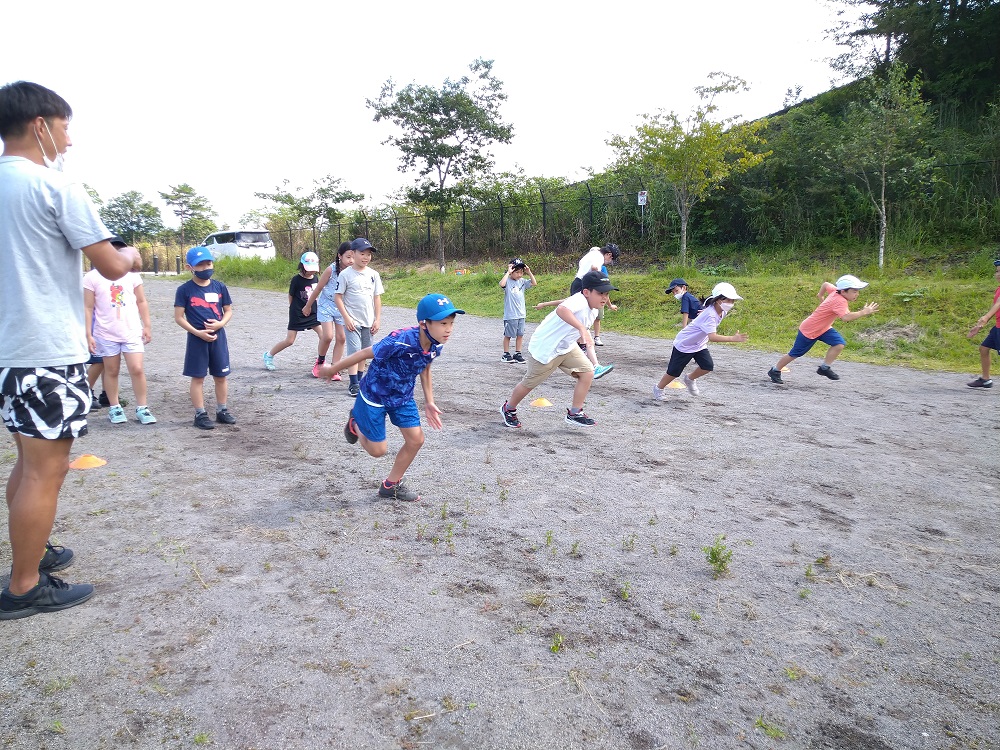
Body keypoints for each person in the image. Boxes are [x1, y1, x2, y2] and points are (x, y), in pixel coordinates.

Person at [0, 81, 142, 619]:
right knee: (46, 470)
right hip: (44, 346)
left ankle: (29, 554)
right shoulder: (55, 186)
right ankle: (23, 587)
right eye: (64, 127)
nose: (69, 140)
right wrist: (128, 254)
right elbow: (109, 265)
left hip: (9, 350)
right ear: (41, 125)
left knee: (28, 460)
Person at [322, 293, 464, 502]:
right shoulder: (400, 339)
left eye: (451, 323)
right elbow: (364, 354)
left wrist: (429, 401)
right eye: (443, 323)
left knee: (416, 440)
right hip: (374, 395)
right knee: (378, 451)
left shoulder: (437, 344)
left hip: (402, 397)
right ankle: (355, 423)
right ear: (424, 324)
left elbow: (425, 367)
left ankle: (390, 485)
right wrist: (332, 369)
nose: (449, 329)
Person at [501, 270, 617, 429]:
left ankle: (575, 413)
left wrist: (595, 363)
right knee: (529, 383)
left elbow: (588, 341)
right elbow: (562, 310)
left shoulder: (594, 309)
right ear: (586, 292)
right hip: (546, 348)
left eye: (607, 293)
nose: (605, 297)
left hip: (566, 347)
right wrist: (581, 328)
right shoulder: (579, 300)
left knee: (587, 372)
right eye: (601, 293)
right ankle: (508, 409)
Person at [83, 235, 156, 424]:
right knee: (111, 370)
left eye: (120, 250)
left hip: (131, 330)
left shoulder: (132, 275)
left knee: (137, 368)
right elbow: (88, 307)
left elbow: (141, 301)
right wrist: (88, 334)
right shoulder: (91, 277)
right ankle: (115, 407)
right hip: (106, 332)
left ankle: (142, 407)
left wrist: (146, 325)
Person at [767, 274, 878, 384]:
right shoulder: (840, 301)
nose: (857, 294)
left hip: (824, 328)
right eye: (854, 291)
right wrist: (864, 312)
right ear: (843, 291)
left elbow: (825, 284)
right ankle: (775, 370)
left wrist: (820, 295)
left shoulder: (835, 290)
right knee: (795, 354)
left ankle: (824, 368)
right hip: (809, 330)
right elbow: (845, 317)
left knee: (839, 344)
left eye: (857, 291)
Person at [174, 246, 236, 430]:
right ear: (189, 267)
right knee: (198, 377)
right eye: (200, 265)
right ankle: (200, 414)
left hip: (218, 337)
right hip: (197, 338)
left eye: (208, 263)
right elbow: (178, 317)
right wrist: (197, 332)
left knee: (221, 376)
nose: (205, 267)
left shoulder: (219, 287)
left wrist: (220, 324)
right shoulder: (184, 290)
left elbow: (228, 311)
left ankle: (222, 410)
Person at [653, 282, 748, 399]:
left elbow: (707, 310)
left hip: (699, 344)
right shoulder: (711, 315)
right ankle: (658, 388)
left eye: (733, 301)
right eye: (729, 300)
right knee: (673, 372)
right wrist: (733, 339)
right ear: (719, 300)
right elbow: (712, 337)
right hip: (685, 344)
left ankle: (690, 378)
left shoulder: (721, 310)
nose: (731, 303)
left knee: (707, 366)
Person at [335, 238, 384, 397]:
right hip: (352, 322)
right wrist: (347, 318)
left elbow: (377, 298)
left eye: (368, 254)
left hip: (368, 321)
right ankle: (353, 383)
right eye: (362, 253)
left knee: (365, 351)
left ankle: (361, 380)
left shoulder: (373, 274)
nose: (366, 257)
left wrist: (377, 319)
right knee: (354, 351)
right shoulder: (345, 275)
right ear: (353, 254)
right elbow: (338, 297)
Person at [263, 251, 322, 373]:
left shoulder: (316, 278)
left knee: (324, 336)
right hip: (298, 312)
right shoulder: (296, 280)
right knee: (289, 340)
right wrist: (294, 310)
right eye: (308, 269)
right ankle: (269, 355)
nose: (311, 272)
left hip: (313, 312)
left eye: (313, 269)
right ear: (302, 266)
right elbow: (291, 296)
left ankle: (321, 361)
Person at [302, 242, 353, 380]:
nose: (351, 260)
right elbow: (318, 288)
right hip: (326, 306)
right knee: (328, 336)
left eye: (353, 257)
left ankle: (334, 368)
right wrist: (308, 306)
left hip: (342, 307)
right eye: (348, 257)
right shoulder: (331, 269)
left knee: (342, 337)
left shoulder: (353, 271)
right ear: (340, 256)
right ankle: (320, 362)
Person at [965, 259, 1000, 388]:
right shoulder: (998, 289)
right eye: (997, 271)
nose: (998, 274)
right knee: (984, 349)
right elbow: (995, 308)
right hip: (997, 327)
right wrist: (981, 325)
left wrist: (985, 317)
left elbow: (998, 304)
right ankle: (986, 379)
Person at [499, 257, 536, 363]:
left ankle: (518, 353)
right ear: (511, 272)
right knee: (508, 335)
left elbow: (534, 283)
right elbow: (502, 284)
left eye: (521, 272)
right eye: (517, 272)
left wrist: (529, 272)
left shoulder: (522, 281)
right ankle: (506, 354)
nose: (519, 275)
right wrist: (508, 272)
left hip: (521, 314)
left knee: (520, 335)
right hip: (511, 315)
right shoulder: (508, 281)